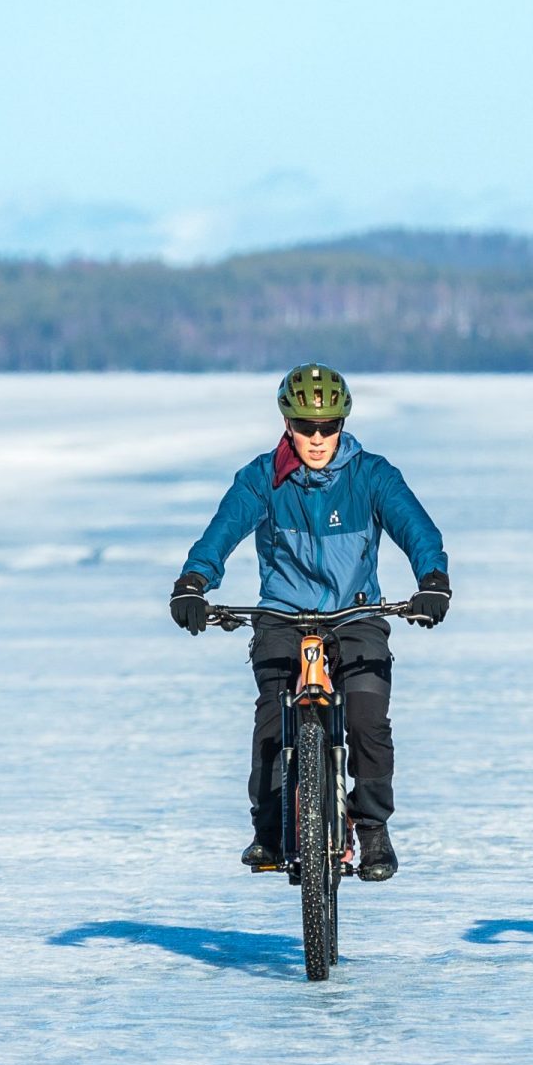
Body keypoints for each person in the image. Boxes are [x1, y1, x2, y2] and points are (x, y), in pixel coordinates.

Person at [170, 365, 450, 881]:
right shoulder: (262, 478)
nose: (316, 439)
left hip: (355, 616)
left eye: (327, 427)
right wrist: (193, 583)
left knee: (367, 720)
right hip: (281, 617)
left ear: (342, 423)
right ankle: (270, 829)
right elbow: (222, 531)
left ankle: (372, 830)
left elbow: (416, 528)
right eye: (305, 426)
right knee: (272, 728)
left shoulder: (372, 475)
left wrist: (432, 578)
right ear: (287, 423)